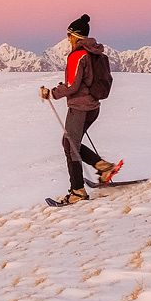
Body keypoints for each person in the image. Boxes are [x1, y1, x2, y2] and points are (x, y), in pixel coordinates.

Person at [39, 13, 118, 205]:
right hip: (93, 107)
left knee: (70, 146)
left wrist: (52, 93)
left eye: (69, 35)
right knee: (70, 143)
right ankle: (103, 167)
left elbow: (73, 86)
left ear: (75, 36)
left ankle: (78, 191)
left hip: (80, 108)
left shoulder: (77, 55)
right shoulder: (93, 52)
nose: (67, 39)